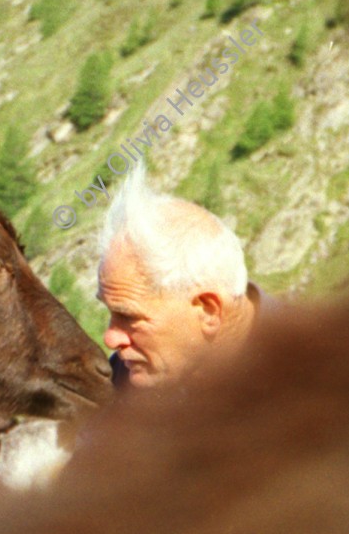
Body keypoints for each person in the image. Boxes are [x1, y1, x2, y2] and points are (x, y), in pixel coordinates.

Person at [95, 163, 262, 389]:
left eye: (129, 317)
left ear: (208, 311)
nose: (111, 340)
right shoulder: (123, 379)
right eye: (112, 313)